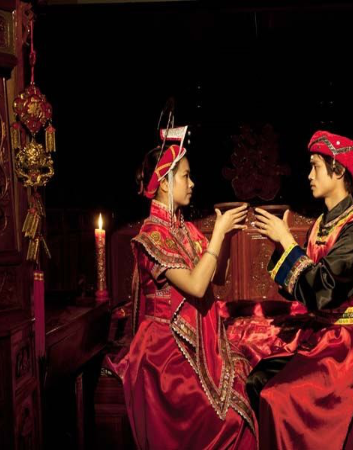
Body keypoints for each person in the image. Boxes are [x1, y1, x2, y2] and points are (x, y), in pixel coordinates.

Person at [112, 127, 257, 450]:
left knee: (242, 400)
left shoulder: (186, 229)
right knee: (230, 420)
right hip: (166, 352)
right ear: (165, 182)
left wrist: (226, 238)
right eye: (186, 176)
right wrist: (217, 235)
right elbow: (196, 285)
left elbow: (217, 277)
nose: (192, 184)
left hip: (193, 342)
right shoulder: (152, 235)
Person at [247, 130, 353, 450]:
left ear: (338, 171)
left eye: (315, 167)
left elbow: (325, 289)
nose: (309, 175)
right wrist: (281, 245)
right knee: (255, 379)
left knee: (275, 397)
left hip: (346, 344)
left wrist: (287, 241)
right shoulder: (323, 222)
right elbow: (302, 289)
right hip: (321, 334)